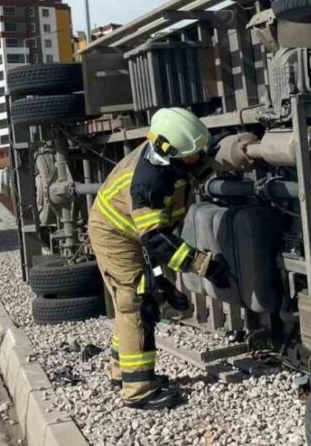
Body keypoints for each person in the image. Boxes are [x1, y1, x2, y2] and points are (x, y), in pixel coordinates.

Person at [87, 107, 228, 409]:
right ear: (170, 152)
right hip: (115, 234)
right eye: (193, 155)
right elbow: (155, 239)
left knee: (140, 299)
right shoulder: (148, 183)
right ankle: (138, 390)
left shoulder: (171, 155)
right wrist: (205, 266)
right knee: (135, 303)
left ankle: (120, 371)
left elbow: (156, 239)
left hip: (134, 231)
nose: (198, 159)